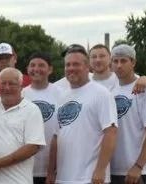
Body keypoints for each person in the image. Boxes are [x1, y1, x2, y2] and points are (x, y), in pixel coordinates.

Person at [47, 45, 118, 184]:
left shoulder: (101, 93)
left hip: (90, 178)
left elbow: (111, 132)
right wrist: (50, 171)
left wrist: (100, 170)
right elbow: (56, 137)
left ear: (87, 67)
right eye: (67, 65)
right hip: (63, 178)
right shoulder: (62, 97)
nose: (71, 68)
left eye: (76, 64)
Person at [0, 68, 45, 184]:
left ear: (21, 86)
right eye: (3, 83)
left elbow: (32, 147)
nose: (7, 88)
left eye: (12, 84)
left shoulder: (32, 110)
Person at [110, 44, 146, 184]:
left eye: (123, 61)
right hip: (113, 170)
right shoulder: (111, 92)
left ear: (133, 62)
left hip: (137, 171)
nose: (119, 65)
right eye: (115, 61)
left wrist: (139, 166)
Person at [54, 44, 146, 93]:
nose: (98, 60)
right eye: (94, 57)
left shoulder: (120, 77)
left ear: (110, 58)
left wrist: (145, 78)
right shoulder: (82, 81)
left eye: (102, 56)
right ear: (89, 61)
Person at [21, 53, 60, 184]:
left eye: (41, 65)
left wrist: (53, 170)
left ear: (50, 69)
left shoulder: (61, 93)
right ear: (27, 69)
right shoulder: (21, 95)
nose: (36, 69)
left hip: (54, 170)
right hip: (24, 169)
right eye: (32, 65)